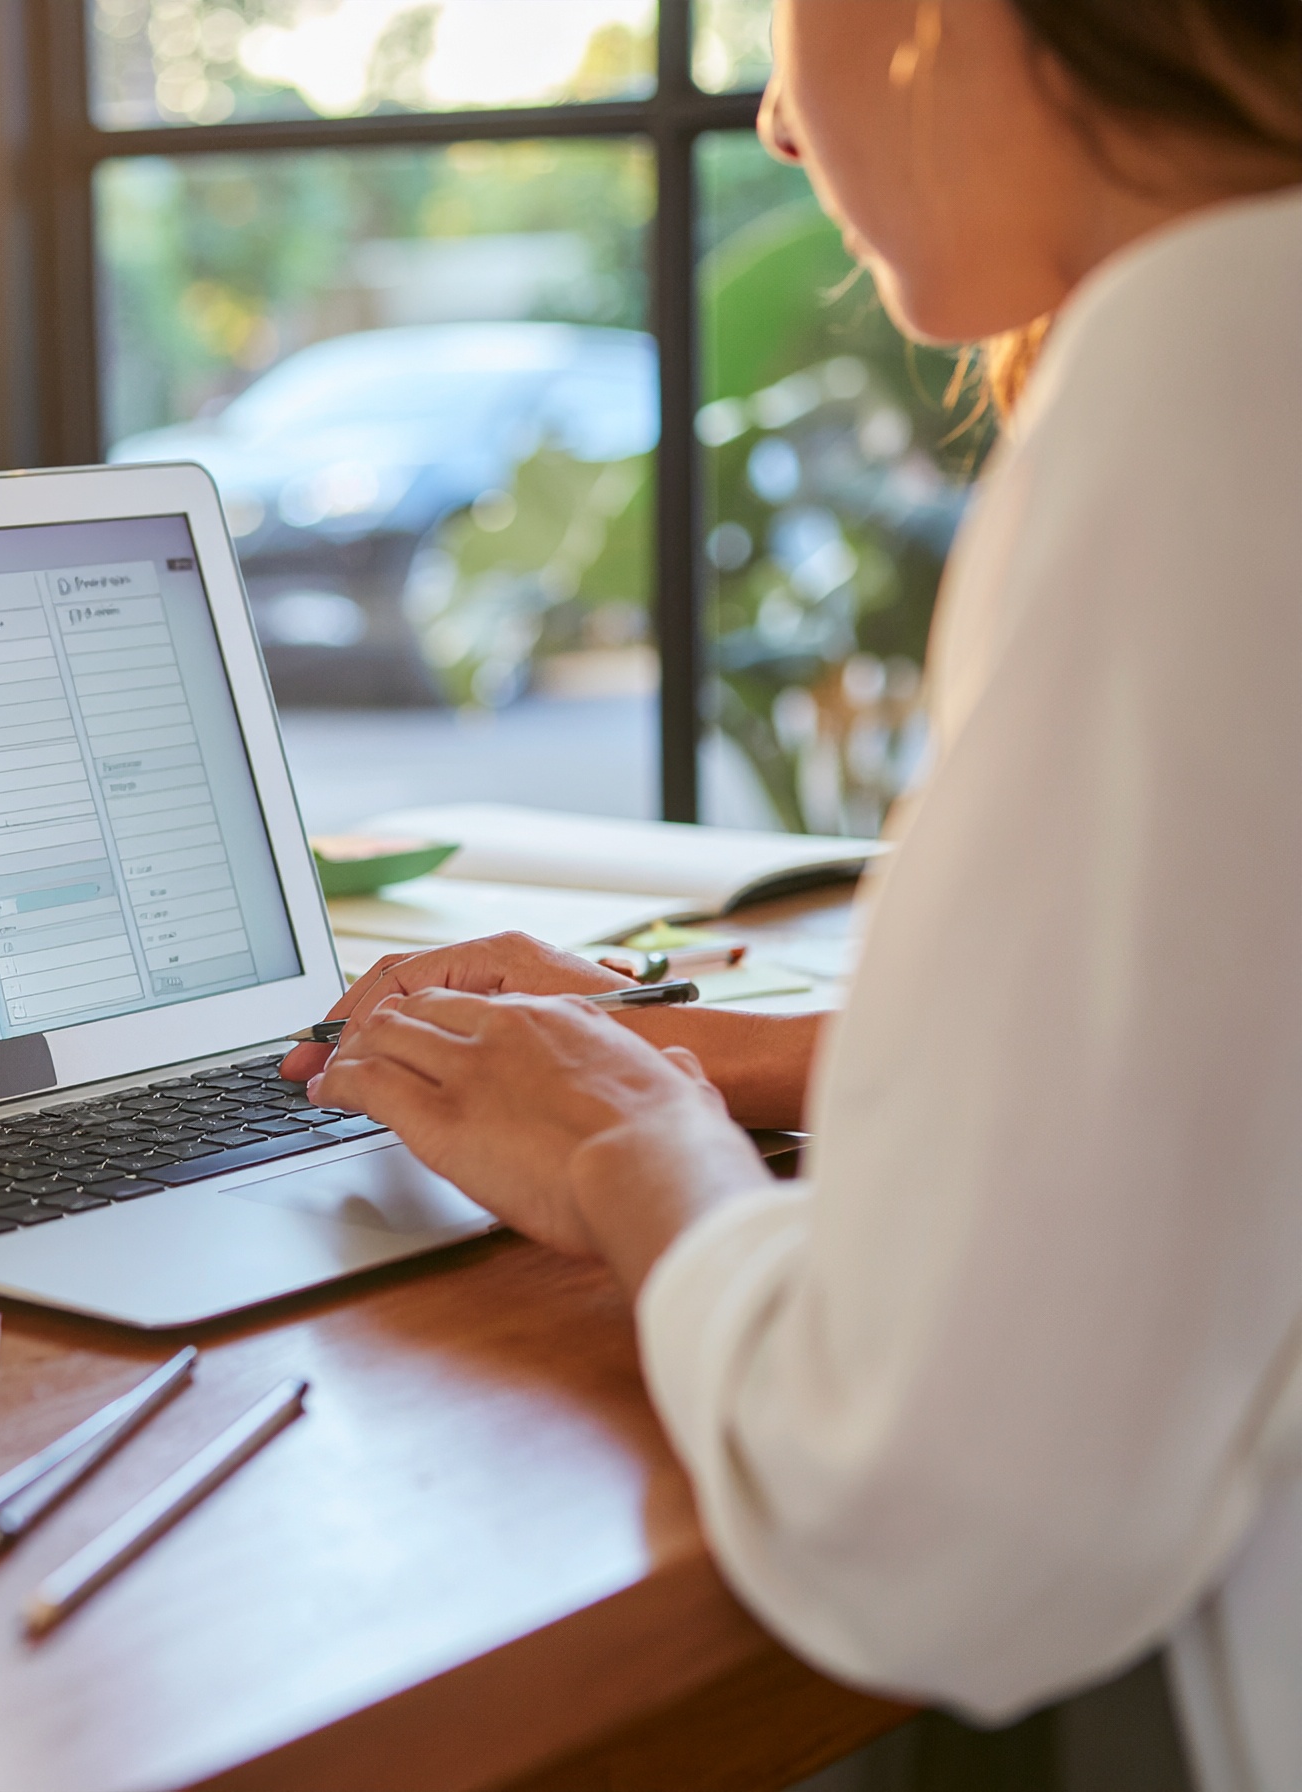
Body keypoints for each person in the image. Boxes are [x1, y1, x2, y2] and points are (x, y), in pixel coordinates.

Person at [282, 4, 1302, 1787]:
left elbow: (954, 1524)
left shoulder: (1216, 357)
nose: (769, 115)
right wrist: (774, 1059)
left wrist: (635, 1155)